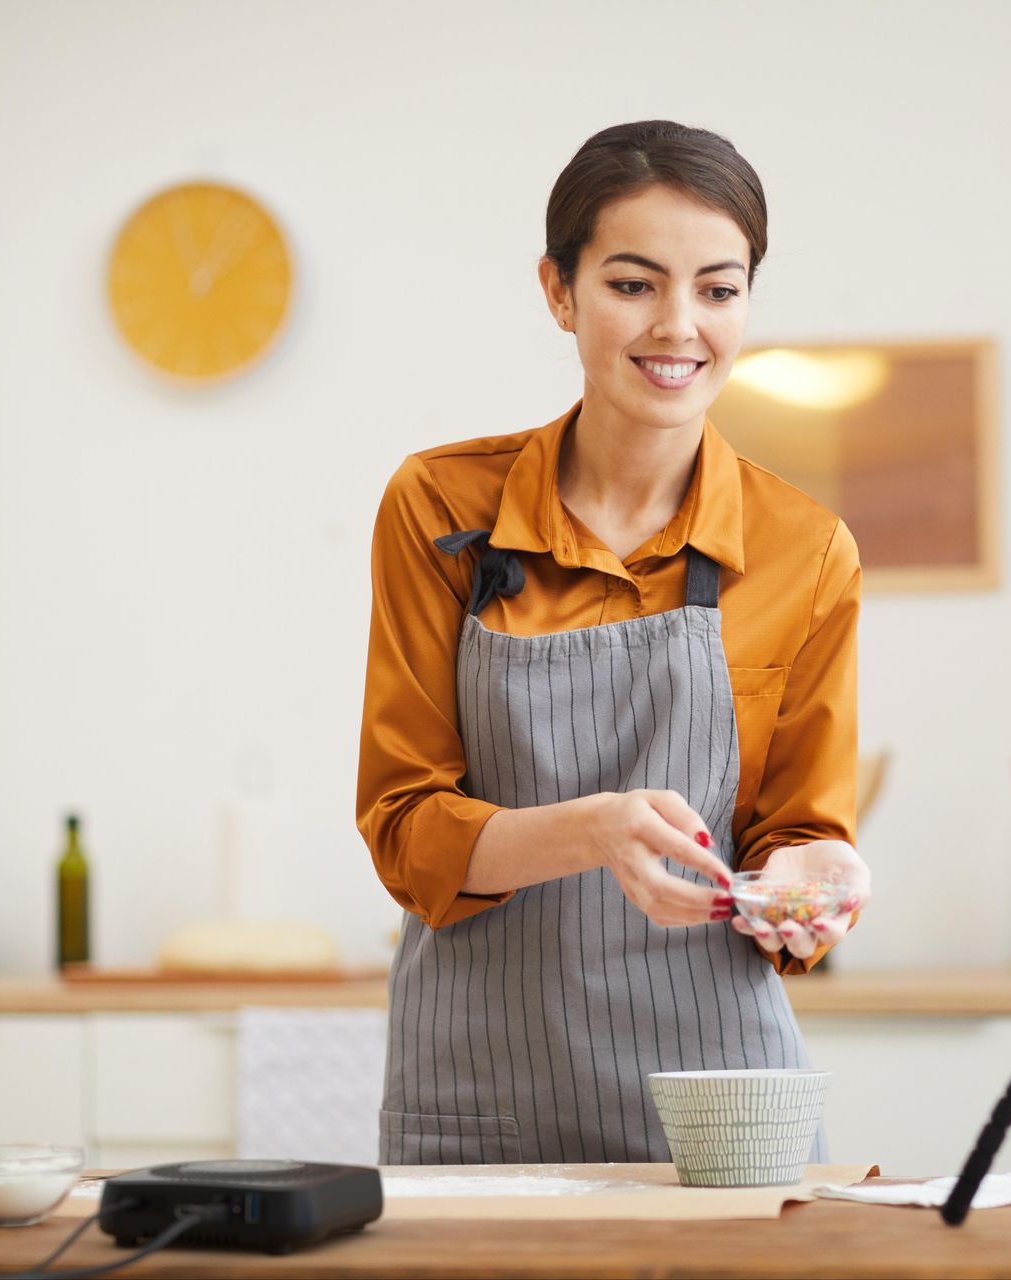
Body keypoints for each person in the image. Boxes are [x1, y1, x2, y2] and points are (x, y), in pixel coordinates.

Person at [356, 120, 872, 1166]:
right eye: (634, 283)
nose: (679, 326)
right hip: (481, 1091)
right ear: (559, 291)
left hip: (725, 1103)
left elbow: (800, 833)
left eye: (719, 289)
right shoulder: (440, 505)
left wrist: (816, 882)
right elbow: (406, 830)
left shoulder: (805, 549)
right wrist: (596, 829)